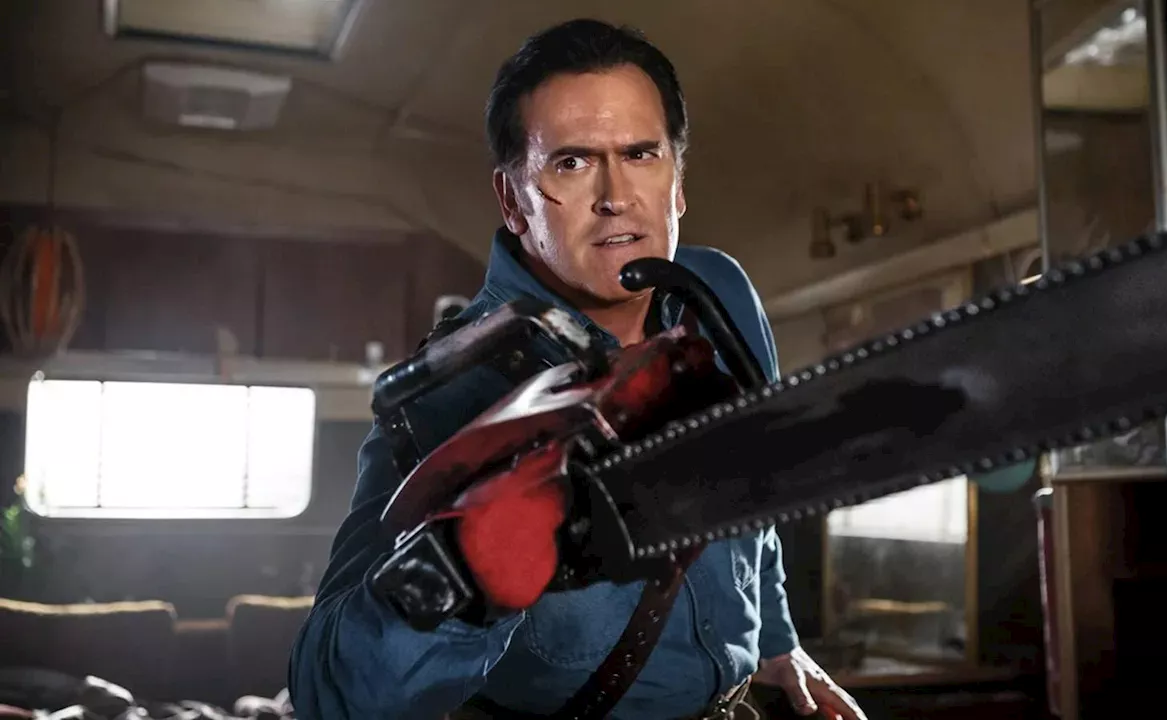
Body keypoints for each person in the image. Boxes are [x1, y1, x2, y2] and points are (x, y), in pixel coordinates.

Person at [288, 18, 866, 720]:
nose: (616, 195)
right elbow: (329, 697)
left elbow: (751, 499)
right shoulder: (448, 394)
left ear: (678, 180)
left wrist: (777, 643)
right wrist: (459, 573)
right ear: (513, 200)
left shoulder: (719, 294)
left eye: (642, 154)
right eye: (572, 163)